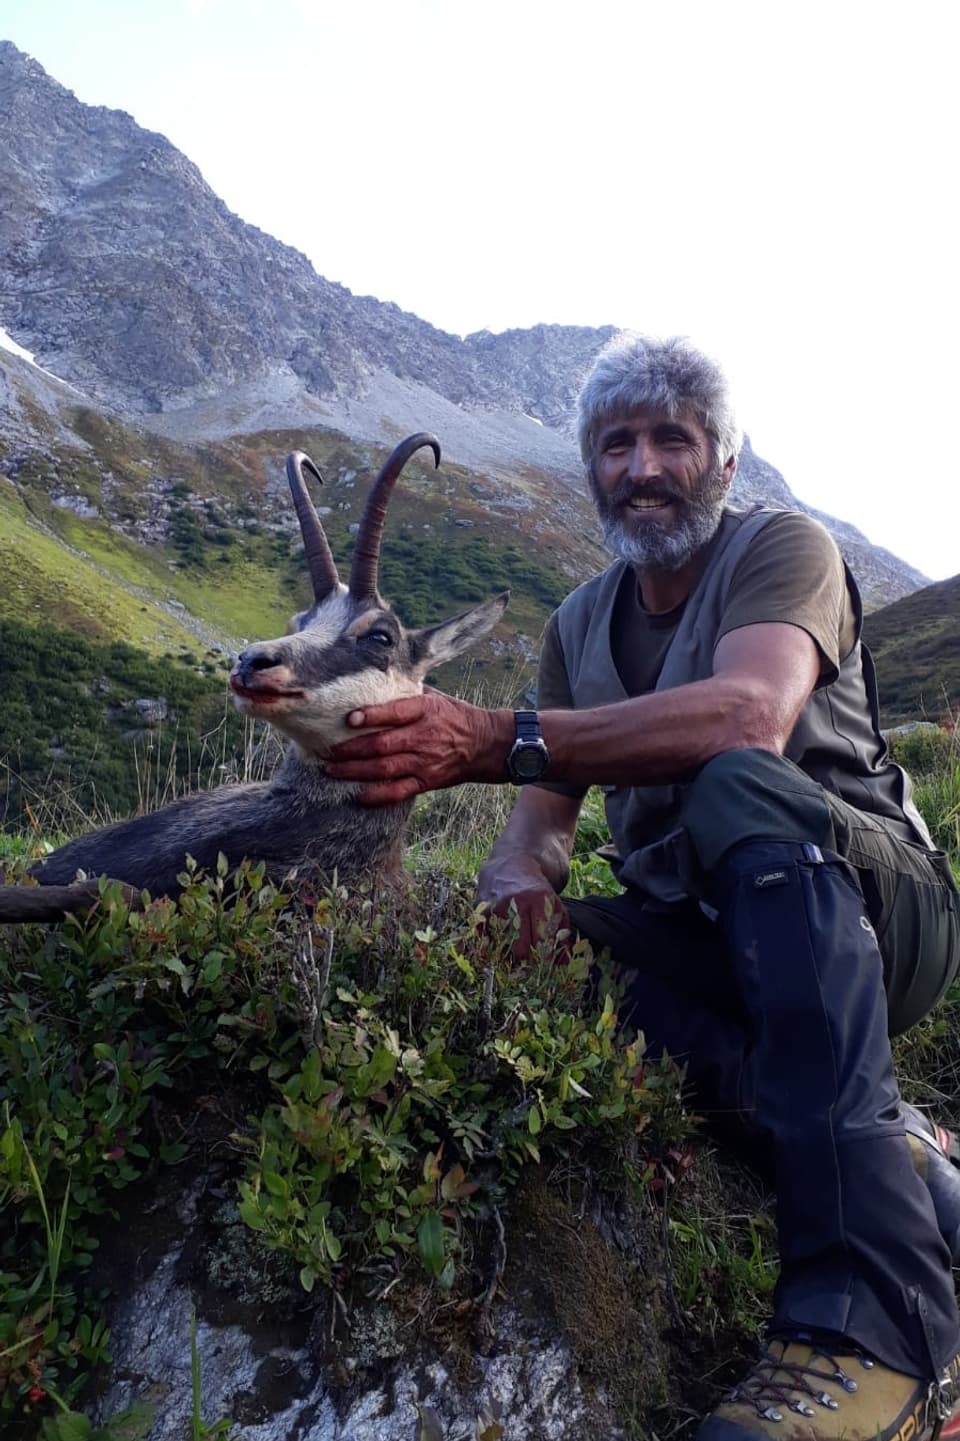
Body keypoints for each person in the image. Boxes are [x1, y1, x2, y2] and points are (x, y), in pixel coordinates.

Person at [326, 333, 960, 1441]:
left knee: (733, 786)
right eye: (618, 444)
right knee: (552, 944)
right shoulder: (580, 624)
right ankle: (891, 1149)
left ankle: (881, 1336)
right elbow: (534, 838)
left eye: (675, 437)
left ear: (722, 461)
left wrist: (489, 735)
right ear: (592, 474)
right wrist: (516, 895)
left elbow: (748, 715)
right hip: (718, 939)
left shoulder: (783, 549)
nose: (645, 465)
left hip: (879, 913)